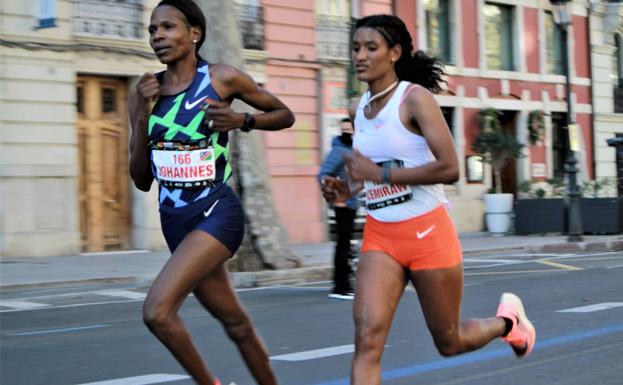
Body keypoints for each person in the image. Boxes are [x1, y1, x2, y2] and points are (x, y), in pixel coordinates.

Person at [321, 15, 535, 385]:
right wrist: (347, 190)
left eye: (371, 48)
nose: (360, 55)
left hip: (427, 234)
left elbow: (449, 167)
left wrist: (380, 175)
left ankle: (508, 322)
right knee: (366, 338)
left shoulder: (414, 99)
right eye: (356, 47)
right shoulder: (359, 108)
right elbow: (370, 171)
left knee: (449, 342)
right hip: (381, 235)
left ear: (394, 53)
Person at [128, 1, 294, 384]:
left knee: (157, 311)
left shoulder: (221, 78)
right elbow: (140, 179)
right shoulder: (144, 91)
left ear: (195, 34)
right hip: (176, 225)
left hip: (216, 212)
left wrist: (242, 120)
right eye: (153, 29)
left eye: (168, 27)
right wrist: (140, 112)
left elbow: (285, 114)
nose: (158, 36)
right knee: (235, 322)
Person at [317, 118, 358, 300]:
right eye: (344, 129)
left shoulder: (354, 150)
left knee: (346, 245)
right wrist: (338, 195)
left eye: (349, 129)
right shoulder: (340, 149)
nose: (346, 132)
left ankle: (344, 282)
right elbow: (323, 174)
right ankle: (341, 287)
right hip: (344, 205)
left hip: (352, 203)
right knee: (343, 245)